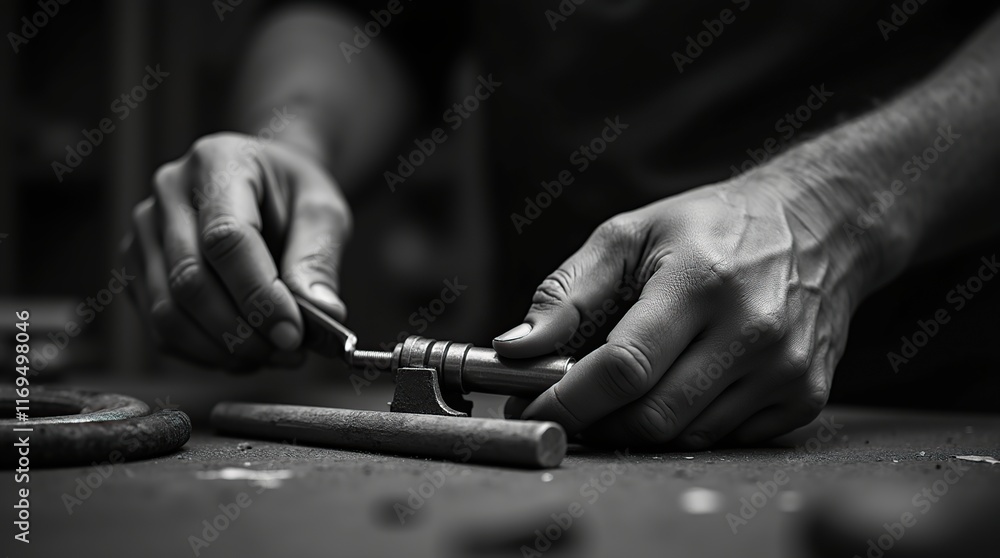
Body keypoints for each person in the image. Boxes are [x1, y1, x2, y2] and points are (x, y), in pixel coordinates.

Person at [123, 1, 1000, 448]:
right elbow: (365, 18)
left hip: (928, 413)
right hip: (539, 416)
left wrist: (831, 211)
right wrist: (289, 140)